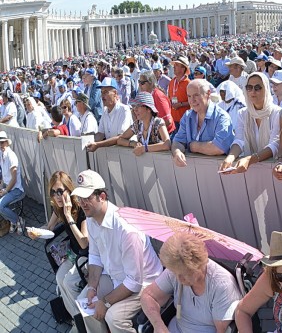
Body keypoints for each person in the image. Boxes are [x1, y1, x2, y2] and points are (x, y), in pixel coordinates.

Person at [72, 170, 163, 333]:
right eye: (80, 198)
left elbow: (134, 282)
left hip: (145, 282)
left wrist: (105, 302)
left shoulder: (126, 230)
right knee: (84, 300)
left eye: (87, 197)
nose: (82, 203)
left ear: (102, 197)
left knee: (113, 317)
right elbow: (95, 256)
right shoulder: (91, 219)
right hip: (117, 277)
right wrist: (92, 287)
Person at [140, 232, 242, 333]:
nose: (179, 279)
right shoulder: (176, 270)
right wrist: (159, 325)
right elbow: (147, 296)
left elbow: (221, 331)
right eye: (175, 273)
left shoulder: (222, 285)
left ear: (198, 266)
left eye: (184, 274)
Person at [30, 171, 89, 322]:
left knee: (69, 282)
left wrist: (68, 216)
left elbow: (84, 242)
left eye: (60, 191)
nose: (57, 196)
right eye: (53, 192)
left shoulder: (81, 208)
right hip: (74, 253)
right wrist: (37, 233)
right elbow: (49, 228)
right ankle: (76, 319)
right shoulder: (58, 207)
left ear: (69, 190)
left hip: (88, 255)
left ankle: (85, 320)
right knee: (59, 278)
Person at [220, 73, 282, 174]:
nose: (253, 91)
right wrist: (230, 157)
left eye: (257, 88)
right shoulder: (243, 113)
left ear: (266, 89)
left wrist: (250, 160)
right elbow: (239, 140)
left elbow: (274, 145)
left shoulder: (278, 113)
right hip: (250, 170)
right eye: (249, 87)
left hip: (272, 169)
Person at [172, 79, 235, 167]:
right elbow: (178, 141)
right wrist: (177, 152)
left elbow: (219, 148)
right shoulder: (187, 116)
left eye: (196, 95)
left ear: (208, 94)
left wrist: (193, 146)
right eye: (189, 96)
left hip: (218, 172)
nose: (192, 100)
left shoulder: (221, 117)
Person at [86, 78, 134, 153]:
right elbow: (100, 134)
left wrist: (97, 144)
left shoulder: (124, 110)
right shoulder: (105, 111)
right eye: (101, 92)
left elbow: (120, 137)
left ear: (115, 93)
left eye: (105, 92)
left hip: (126, 155)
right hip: (113, 155)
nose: (102, 96)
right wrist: (86, 141)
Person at [0, 131, 25, 235]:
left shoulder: (11, 156)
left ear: (6, 142)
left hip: (16, 189)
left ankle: (17, 220)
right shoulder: (1, 154)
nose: (0, 145)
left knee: (0, 206)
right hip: (8, 186)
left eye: (2, 142)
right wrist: (1, 187)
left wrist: (5, 191)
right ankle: (11, 221)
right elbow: (3, 175)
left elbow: (14, 179)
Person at [167, 56, 191, 133]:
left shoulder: (188, 83)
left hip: (185, 120)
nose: (174, 67)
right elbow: (169, 97)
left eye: (177, 65)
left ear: (183, 68)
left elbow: (193, 102)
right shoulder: (172, 81)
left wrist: (180, 104)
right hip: (173, 119)